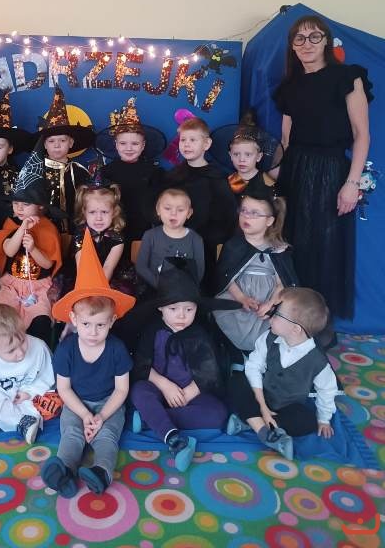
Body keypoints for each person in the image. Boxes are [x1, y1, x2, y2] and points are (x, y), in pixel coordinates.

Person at [273, 14, 372, 319]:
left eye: (314, 36)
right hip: (294, 171)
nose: (307, 43)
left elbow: (361, 134)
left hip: (331, 172)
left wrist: (352, 183)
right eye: (300, 38)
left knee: (327, 250)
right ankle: (291, 318)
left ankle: (319, 322)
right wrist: (268, 177)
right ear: (292, 45)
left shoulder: (347, 77)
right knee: (292, 245)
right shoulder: (289, 86)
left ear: (326, 40)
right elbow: (286, 140)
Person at [41, 229, 135, 498]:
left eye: (100, 325)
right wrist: (84, 415)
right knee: (71, 434)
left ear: (112, 321)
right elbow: (64, 389)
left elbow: (122, 390)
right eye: (86, 324)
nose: (93, 332)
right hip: (76, 403)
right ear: (73, 319)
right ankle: (64, 471)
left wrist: (101, 417)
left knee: (107, 437)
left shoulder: (116, 348)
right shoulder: (67, 349)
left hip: (109, 403)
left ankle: (101, 472)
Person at [130, 258, 237, 470]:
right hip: (159, 387)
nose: (182, 316)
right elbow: (141, 364)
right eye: (174, 309)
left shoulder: (199, 334)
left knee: (218, 414)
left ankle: (150, 419)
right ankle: (174, 438)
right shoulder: (153, 330)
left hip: (191, 392)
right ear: (161, 308)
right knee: (139, 391)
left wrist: (188, 393)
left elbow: (209, 373)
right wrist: (164, 385)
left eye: (189, 309)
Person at [227, 287, 338, 460]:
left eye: (277, 314)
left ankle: (251, 423)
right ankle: (265, 431)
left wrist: (324, 418)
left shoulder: (318, 361)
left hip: (287, 407)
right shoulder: (268, 338)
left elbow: (327, 389)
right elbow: (254, 366)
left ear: (295, 329)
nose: (270, 316)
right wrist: (262, 405)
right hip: (260, 396)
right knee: (236, 382)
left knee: (309, 421)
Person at [213, 192, 296, 359]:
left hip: (269, 297)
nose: (246, 216)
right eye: (243, 210)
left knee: (284, 313)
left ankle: (264, 353)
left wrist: (270, 303)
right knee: (224, 309)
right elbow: (226, 278)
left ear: (269, 221)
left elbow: (282, 283)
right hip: (238, 294)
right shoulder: (233, 245)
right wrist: (241, 298)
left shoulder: (278, 249)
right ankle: (236, 353)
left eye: (255, 213)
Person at [163, 117, 237, 293]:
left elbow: (226, 214)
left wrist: (205, 238)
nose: (186, 144)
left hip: (204, 245)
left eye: (193, 140)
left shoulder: (217, 177)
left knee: (200, 289)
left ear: (206, 144)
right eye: (183, 140)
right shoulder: (173, 176)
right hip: (174, 242)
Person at [0, 304, 54, 444]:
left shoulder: (39, 347)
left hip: (25, 398)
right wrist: (3, 395)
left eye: (23, 341)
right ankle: (20, 422)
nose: (20, 353)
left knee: (46, 399)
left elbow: (47, 376)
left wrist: (29, 392)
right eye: (11, 351)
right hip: (0, 398)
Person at [0, 193, 62, 343]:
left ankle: (36, 349)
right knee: (1, 313)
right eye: (16, 203)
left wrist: (33, 249)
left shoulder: (48, 228)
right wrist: (22, 228)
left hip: (38, 286)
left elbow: (48, 264)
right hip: (12, 285)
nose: (19, 208)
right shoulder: (11, 224)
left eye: (26, 204)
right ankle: (5, 346)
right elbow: (9, 251)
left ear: (40, 206)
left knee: (41, 317)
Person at [97, 97, 166, 241]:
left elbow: (161, 205)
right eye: (123, 143)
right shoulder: (106, 172)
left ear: (143, 145)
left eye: (135, 144)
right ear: (116, 144)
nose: (129, 148)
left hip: (144, 233)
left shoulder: (154, 172)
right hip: (113, 232)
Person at [39, 85, 94, 232]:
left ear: (71, 143)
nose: (57, 145)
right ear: (44, 144)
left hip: (75, 230)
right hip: (44, 231)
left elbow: (89, 202)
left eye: (62, 141)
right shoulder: (36, 171)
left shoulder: (80, 172)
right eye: (51, 141)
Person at [136, 188, 205, 290]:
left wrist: (183, 288)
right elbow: (141, 267)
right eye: (167, 208)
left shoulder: (196, 239)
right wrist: (160, 285)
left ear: (189, 213)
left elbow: (199, 271)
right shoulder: (150, 235)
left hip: (184, 291)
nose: (173, 213)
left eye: (180, 210)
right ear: (158, 210)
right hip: (154, 289)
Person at [73, 182, 125, 285]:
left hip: (106, 279)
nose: (99, 218)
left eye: (104, 212)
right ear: (84, 212)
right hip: (83, 277)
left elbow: (108, 267)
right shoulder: (80, 234)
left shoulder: (117, 238)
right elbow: (81, 265)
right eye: (92, 212)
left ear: (114, 212)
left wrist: (98, 289)